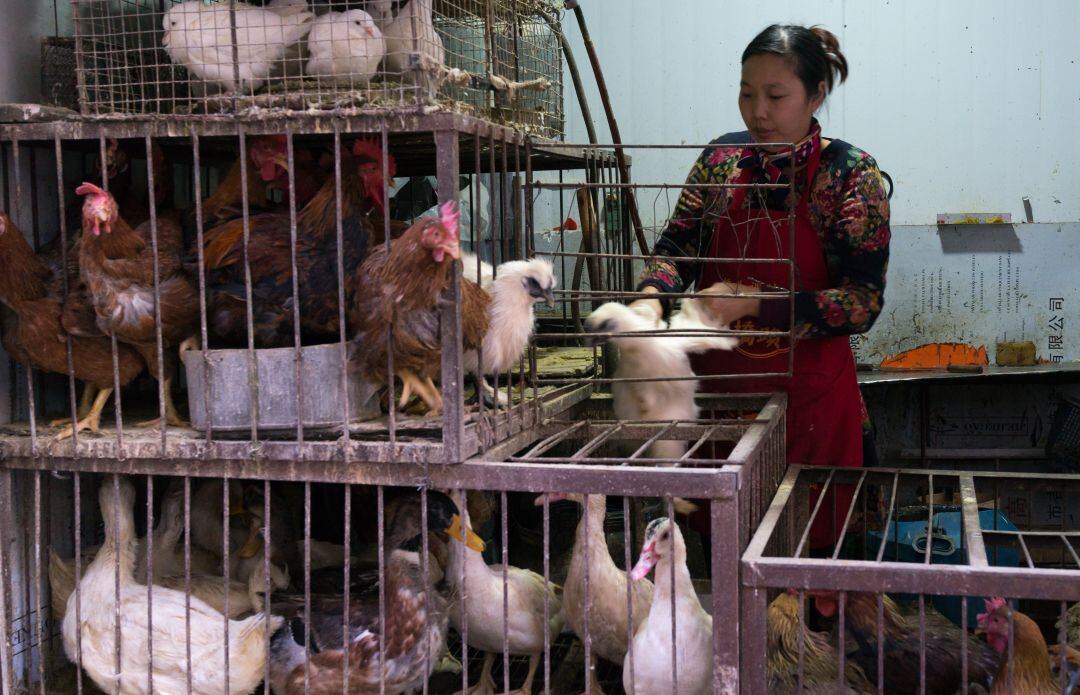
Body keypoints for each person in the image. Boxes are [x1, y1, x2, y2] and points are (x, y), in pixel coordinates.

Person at [632, 24, 890, 550]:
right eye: (747, 94)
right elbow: (677, 249)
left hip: (810, 412)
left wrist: (757, 304)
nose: (758, 113)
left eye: (776, 96)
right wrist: (650, 296)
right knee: (724, 566)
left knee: (810, 573)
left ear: (816, 95)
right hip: (722, 412)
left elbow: (862, 302)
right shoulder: (720, 163)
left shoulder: (848, 177)